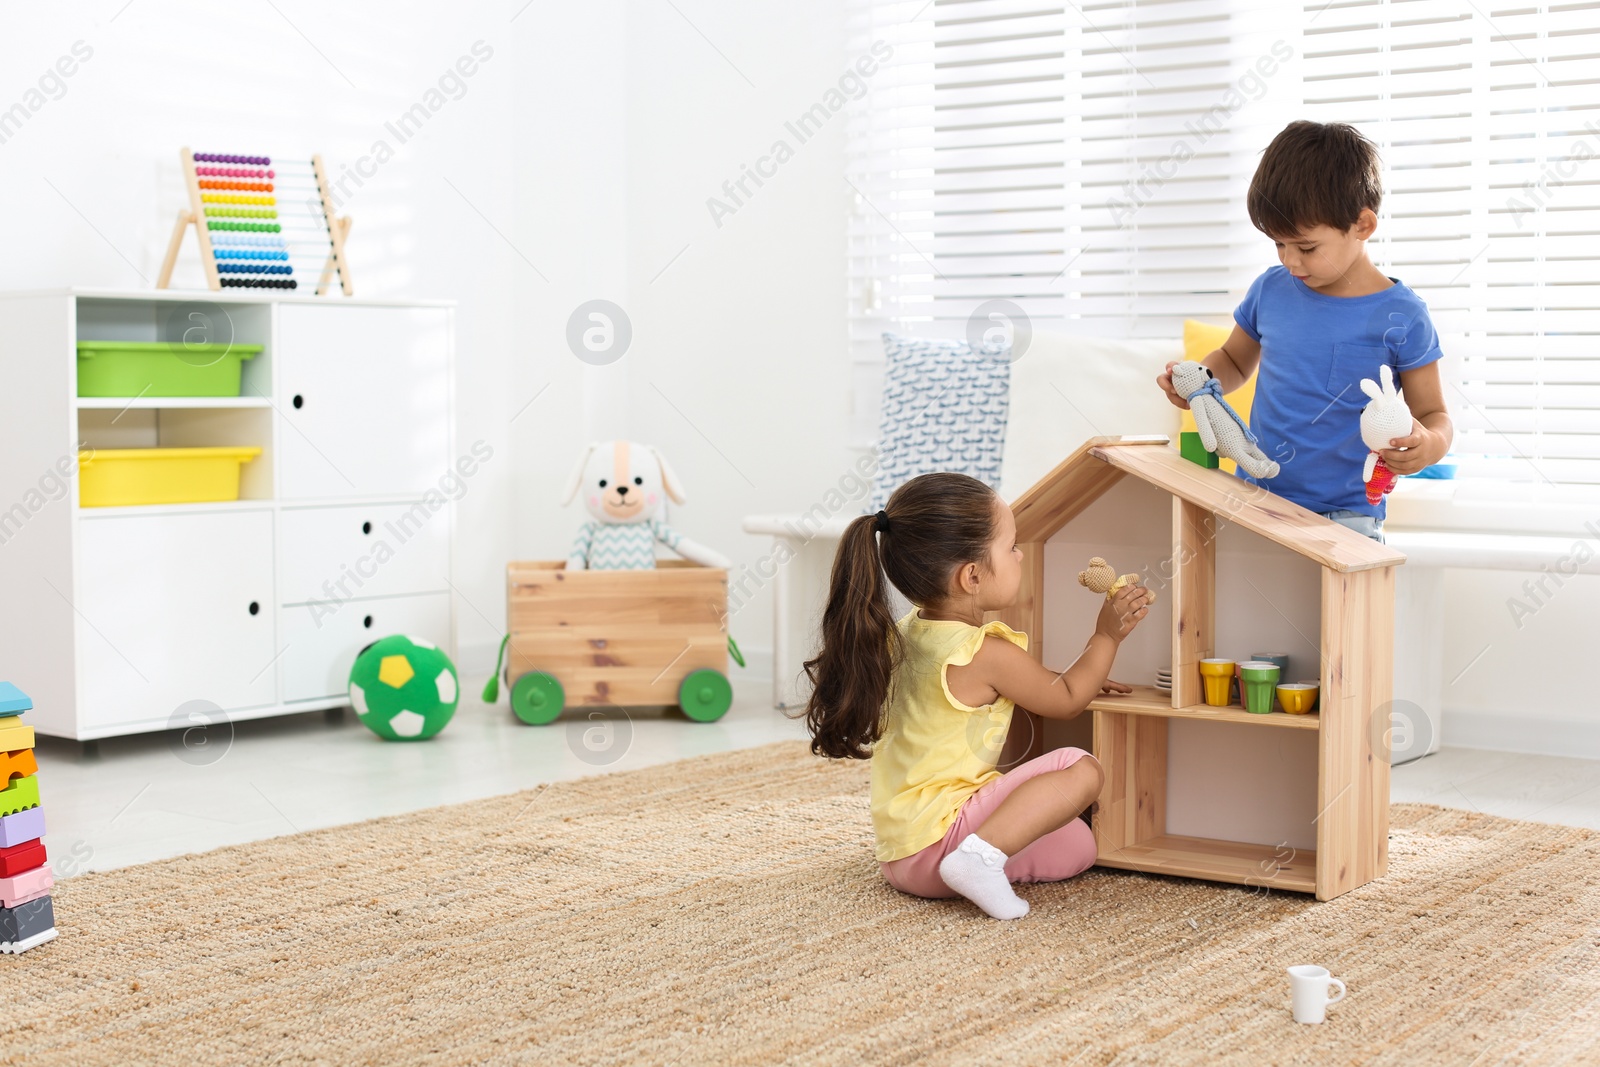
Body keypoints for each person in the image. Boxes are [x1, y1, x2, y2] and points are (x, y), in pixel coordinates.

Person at [802, 472, 1151, 920]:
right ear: (971, 576)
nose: (1020, 555)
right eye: (1010, 548)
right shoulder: (984, 651)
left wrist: (1071, 674)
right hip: (944, 838)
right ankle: (977, 860)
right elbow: (1065, 700)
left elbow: (1033, 683)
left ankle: (975, 860)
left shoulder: (908, 634)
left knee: (1078, 846)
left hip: (901, 857)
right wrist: (1106, 636)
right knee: (1081, 769)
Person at [1156, 120, 1454, 542]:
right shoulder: (1270, 290)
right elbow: (1234, 360)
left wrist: (1431, 444)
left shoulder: (1402, 315)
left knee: (1337, 611)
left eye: (1307, 247)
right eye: (1278, 244)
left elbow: (1434, 414)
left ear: (1362, 225)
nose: (1291, 261)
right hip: (1255, 500)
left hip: (1346, 516)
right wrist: (1199, 384)